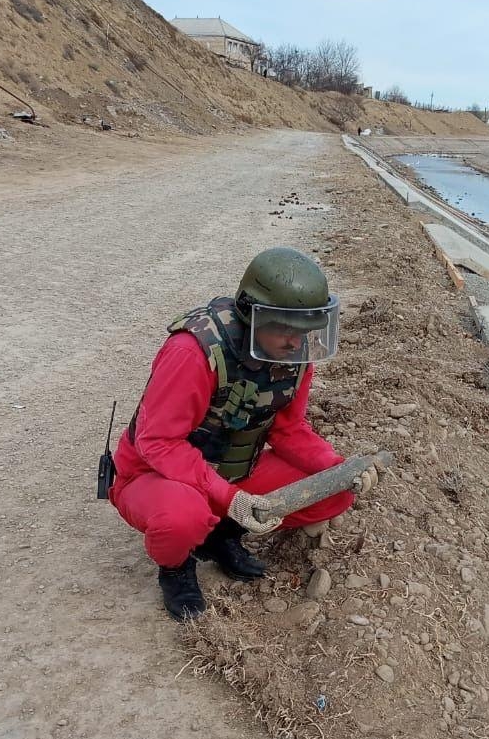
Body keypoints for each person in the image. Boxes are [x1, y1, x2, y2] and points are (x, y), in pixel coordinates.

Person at [108, 247, 376, 620]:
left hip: (232, 474)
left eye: (305, 331)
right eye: (285, 328)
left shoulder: (294, 355)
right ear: (253, 313)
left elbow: (290, 430)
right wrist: (228, 495)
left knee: (332, 492)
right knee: (181, 517)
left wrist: (338, 467)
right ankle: (176, 565)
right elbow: (158, 443)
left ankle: (221, 534)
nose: (296, 343)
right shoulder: (194, 352)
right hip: (155, 476)